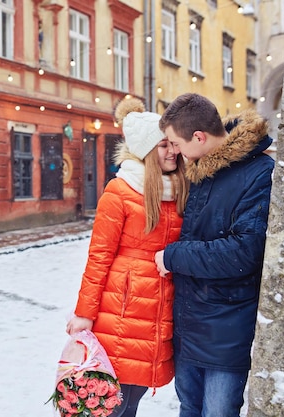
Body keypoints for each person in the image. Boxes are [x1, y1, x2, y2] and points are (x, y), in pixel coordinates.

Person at [66, 98, 189, 417]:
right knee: (111, 404)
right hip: (120, 313)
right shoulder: (120, 192)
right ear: (147, 149)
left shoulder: (178, 190)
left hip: (159, 311)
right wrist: (84, 313)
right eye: (163, 146)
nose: (172, 151)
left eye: (172, 144)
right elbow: (99, 258)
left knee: (130, 401)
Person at [154, 93, 274, 417]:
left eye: (176, 143)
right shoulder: (197, 170)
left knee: (218, 413)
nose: (174, 152)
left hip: (226, 329)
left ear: (199, 137)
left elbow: (244, 252)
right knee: (189, 408)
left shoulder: (260, 172)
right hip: (189, 324)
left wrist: (173, 256)